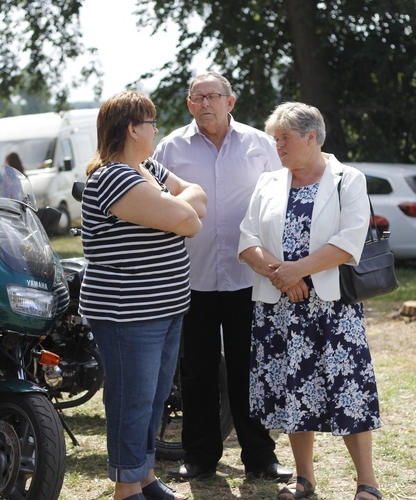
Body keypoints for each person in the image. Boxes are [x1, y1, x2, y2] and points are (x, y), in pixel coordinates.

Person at [237, 102, 382, 500]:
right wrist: (281, 277)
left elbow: (349, 242)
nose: (277, 145)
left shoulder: (347, 179)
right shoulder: (268, 182)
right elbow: (246, 241)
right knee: (291, 392)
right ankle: (304, 479)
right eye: (275, 138)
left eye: (284, 138)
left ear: (311, 137)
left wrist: (297, 270)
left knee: (348, 390)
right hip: (280, 307)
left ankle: (367, 483)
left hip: (332, 309)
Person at [153, 71, 293, 483]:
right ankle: (199, 458)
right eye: (197, 98)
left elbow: (281, 199)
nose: (205, 104)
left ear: (231, 102)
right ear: (189, 104)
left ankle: (260, 457)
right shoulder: (170, 147)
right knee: (196, 371)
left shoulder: (260, 144)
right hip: (190, 276)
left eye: (213, 96)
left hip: (248, 277)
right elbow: (155, 200)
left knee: (249, 368)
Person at [80, 90, 207, 500]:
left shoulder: (146, 167)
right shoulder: (114, 176)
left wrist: (170, 204)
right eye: (151, 123)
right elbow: (190, 221)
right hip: (128, 312)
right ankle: (125, 486)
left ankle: (144, 475)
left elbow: (199, 197)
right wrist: (175, 208)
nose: (156, 130)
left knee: (153, 397)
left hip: (164, 306)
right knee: (131, 400)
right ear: (133, 129)